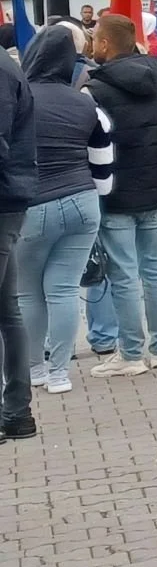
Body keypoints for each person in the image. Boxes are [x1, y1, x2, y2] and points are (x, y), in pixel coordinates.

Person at [14, 28, 112, 395]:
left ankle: (34, 368)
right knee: (64, 290)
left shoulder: (18, 99)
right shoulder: (86, 102)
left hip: (31, 205)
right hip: (82, 202)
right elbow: (103, 163)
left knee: (28, 293)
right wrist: (96, 195)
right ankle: (60, 374)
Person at [84, 14, 157, 372]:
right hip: (155, 187)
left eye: (95, 40)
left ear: (106, 44)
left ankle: (132, 354)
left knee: (123, 274)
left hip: (115, 192)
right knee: (155, 272)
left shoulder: (95, 89)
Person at [0, 41, 35, 440]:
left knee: (8, 312)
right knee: (7, 311)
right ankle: (17, 412)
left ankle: (15, 411)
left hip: (4, 196)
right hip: (10, 195)